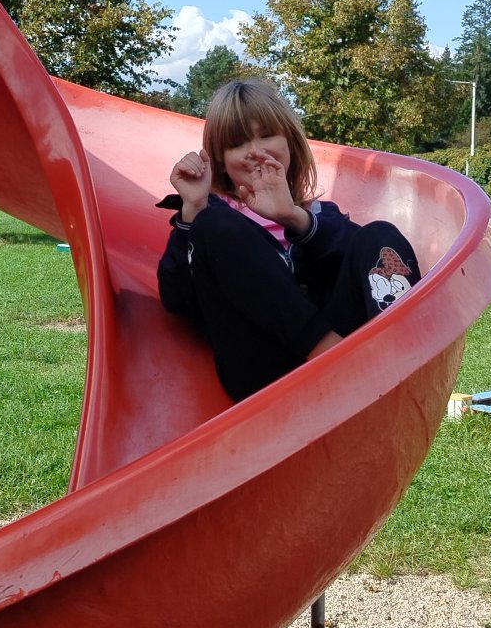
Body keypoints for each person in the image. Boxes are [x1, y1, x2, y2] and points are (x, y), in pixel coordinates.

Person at [157, 79, 421, 401]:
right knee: (216, 225)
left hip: (347, 340)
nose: (255, 151)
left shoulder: (318, 215)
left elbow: (362, 265)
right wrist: (193, 209)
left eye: (267, 134)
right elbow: (175, 299)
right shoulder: (209, 221)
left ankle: (400, 350)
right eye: (237, 143)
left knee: (379, 234)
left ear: (290, 143)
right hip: (265, 369)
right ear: (220, 160)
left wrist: (295, 218)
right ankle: (334, 357)